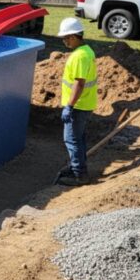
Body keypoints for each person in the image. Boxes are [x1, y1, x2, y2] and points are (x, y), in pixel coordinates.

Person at [56, 17, 97, 186]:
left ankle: (79, 174)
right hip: (85, 103)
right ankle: (77, 166)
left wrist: (69, 106)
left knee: (72, 140)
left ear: (73, 36)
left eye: (65, 38)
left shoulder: (80, 56)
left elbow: (79, 83)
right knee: (78, 139)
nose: (64, 41)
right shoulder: (87, 51)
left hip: (78, 106)